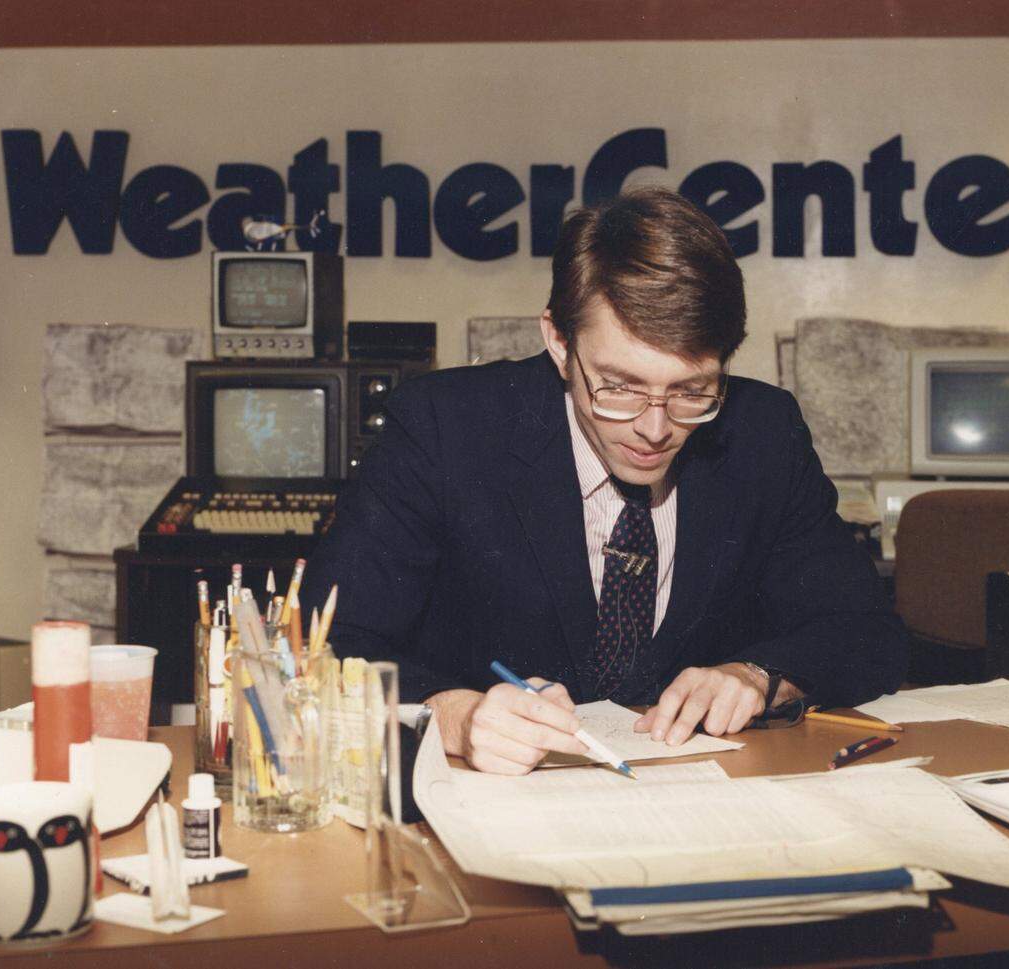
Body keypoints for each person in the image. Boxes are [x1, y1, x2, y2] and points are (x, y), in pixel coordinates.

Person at [302, 186, 907, 775]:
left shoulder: (762, 432)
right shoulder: (445, 428)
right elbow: (327, 645)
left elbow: (865, 632)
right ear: (559, 342)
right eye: (618, 386)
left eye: (691, 391)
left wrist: (757, 676)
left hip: (697, 800)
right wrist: (457, 718)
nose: (654, 428)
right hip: (487, 801)